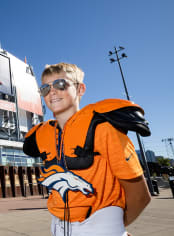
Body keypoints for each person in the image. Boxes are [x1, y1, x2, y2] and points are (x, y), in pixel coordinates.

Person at [23, 63, 151, 236]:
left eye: (61, 84)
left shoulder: (102, 127)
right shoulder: (42, 135)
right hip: (58, 226)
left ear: (80, 89)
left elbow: (140, 195)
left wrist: (112, 227)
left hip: (100, 224)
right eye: (45, 88)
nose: (52, 92)